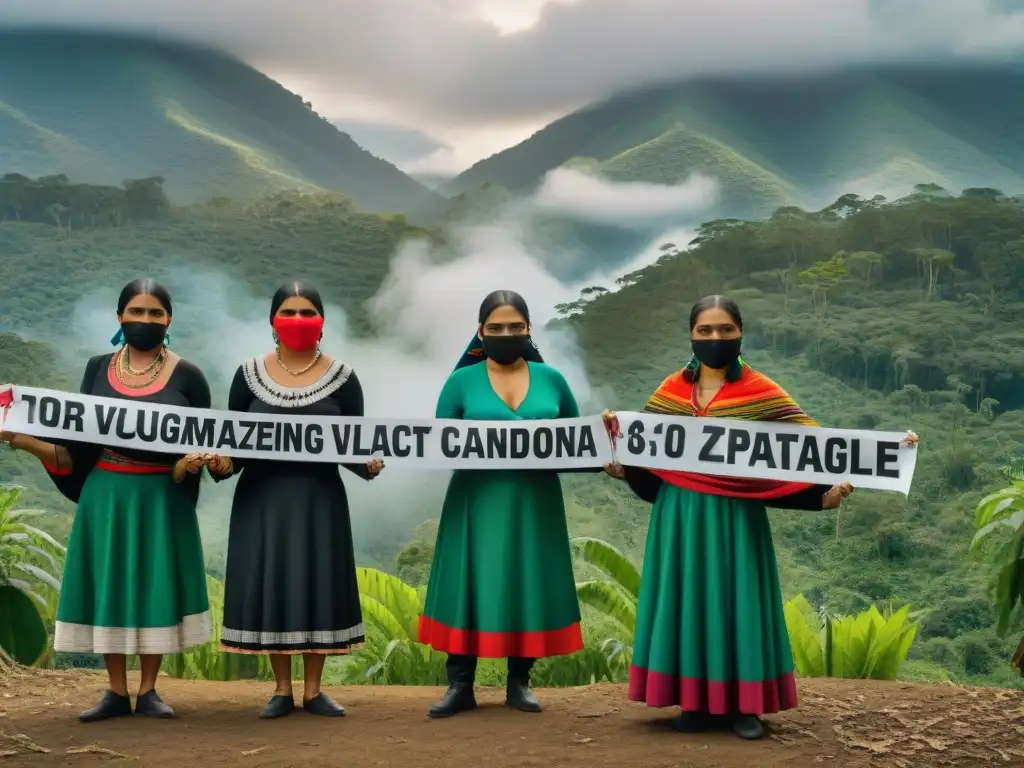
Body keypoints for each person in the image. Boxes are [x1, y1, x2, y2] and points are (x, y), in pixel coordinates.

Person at [601, 295, 920, 740]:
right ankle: (693, 702)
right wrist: (621, 463)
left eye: (725, 330)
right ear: (692, 335)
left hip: (736, 516)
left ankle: (744, 707)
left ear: (740, 334)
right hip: (679, 515)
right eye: (705, 331)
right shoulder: (670, 390)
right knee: (687, 598)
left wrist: (887, 453)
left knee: (738, 600)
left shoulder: (760, 391)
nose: (715, 338)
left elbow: (810, 445)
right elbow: (648, 456)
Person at [0, 279, 213, 722]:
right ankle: (116, 690)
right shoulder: (98, 369)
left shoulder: (189, 376)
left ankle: (150, 690)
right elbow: (72, 450)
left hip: (161, 497)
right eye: (137, 312)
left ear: (168, 320)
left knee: (155, 583)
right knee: (110, 584)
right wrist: (18, 438)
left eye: (155, 313)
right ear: (120, 317)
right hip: (105, 492)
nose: (146, 320)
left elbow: (200, 444)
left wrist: (187, 467)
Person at [418, 289, 604, 718]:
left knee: (528, 579)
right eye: (496, 327)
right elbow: (437, 444)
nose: (506, 333)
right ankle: (460, 684)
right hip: (475, 500)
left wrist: (608, 436)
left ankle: (519, 682)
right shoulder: (460, 381)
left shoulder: (552, 379)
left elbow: (579, 442)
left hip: (535, 501)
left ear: (528, 330)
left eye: (515, 327)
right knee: (469, 580)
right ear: (481, 332)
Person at [208, 281, 384, 720]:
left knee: (317, 581)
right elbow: (235, 448)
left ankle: (313, 691)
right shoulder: (247, 374)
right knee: (273, 582)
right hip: (261, 499)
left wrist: (370, 465)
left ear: (322, 321)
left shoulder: (343, 377)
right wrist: (218, 465)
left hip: (319, 499)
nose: (299, 321)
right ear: (272, 320)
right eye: (289, 312)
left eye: (308, 312)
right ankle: (282, 689)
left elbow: (352, 445)